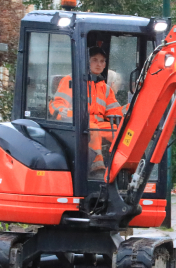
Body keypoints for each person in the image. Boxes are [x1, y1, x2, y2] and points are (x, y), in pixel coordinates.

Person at [49, 46, 124, 176]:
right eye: (95, 60)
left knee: (121, 133)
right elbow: (57, 103)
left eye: (102, 61)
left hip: (99, 124)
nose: (99, 64)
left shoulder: (105, 88)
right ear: (86, 61)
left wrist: (130, 110)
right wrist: (65, 113)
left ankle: (120, 168)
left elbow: (115, 111)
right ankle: (97, 167)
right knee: (92, 129)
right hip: (77, 123)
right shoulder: (72, 81)